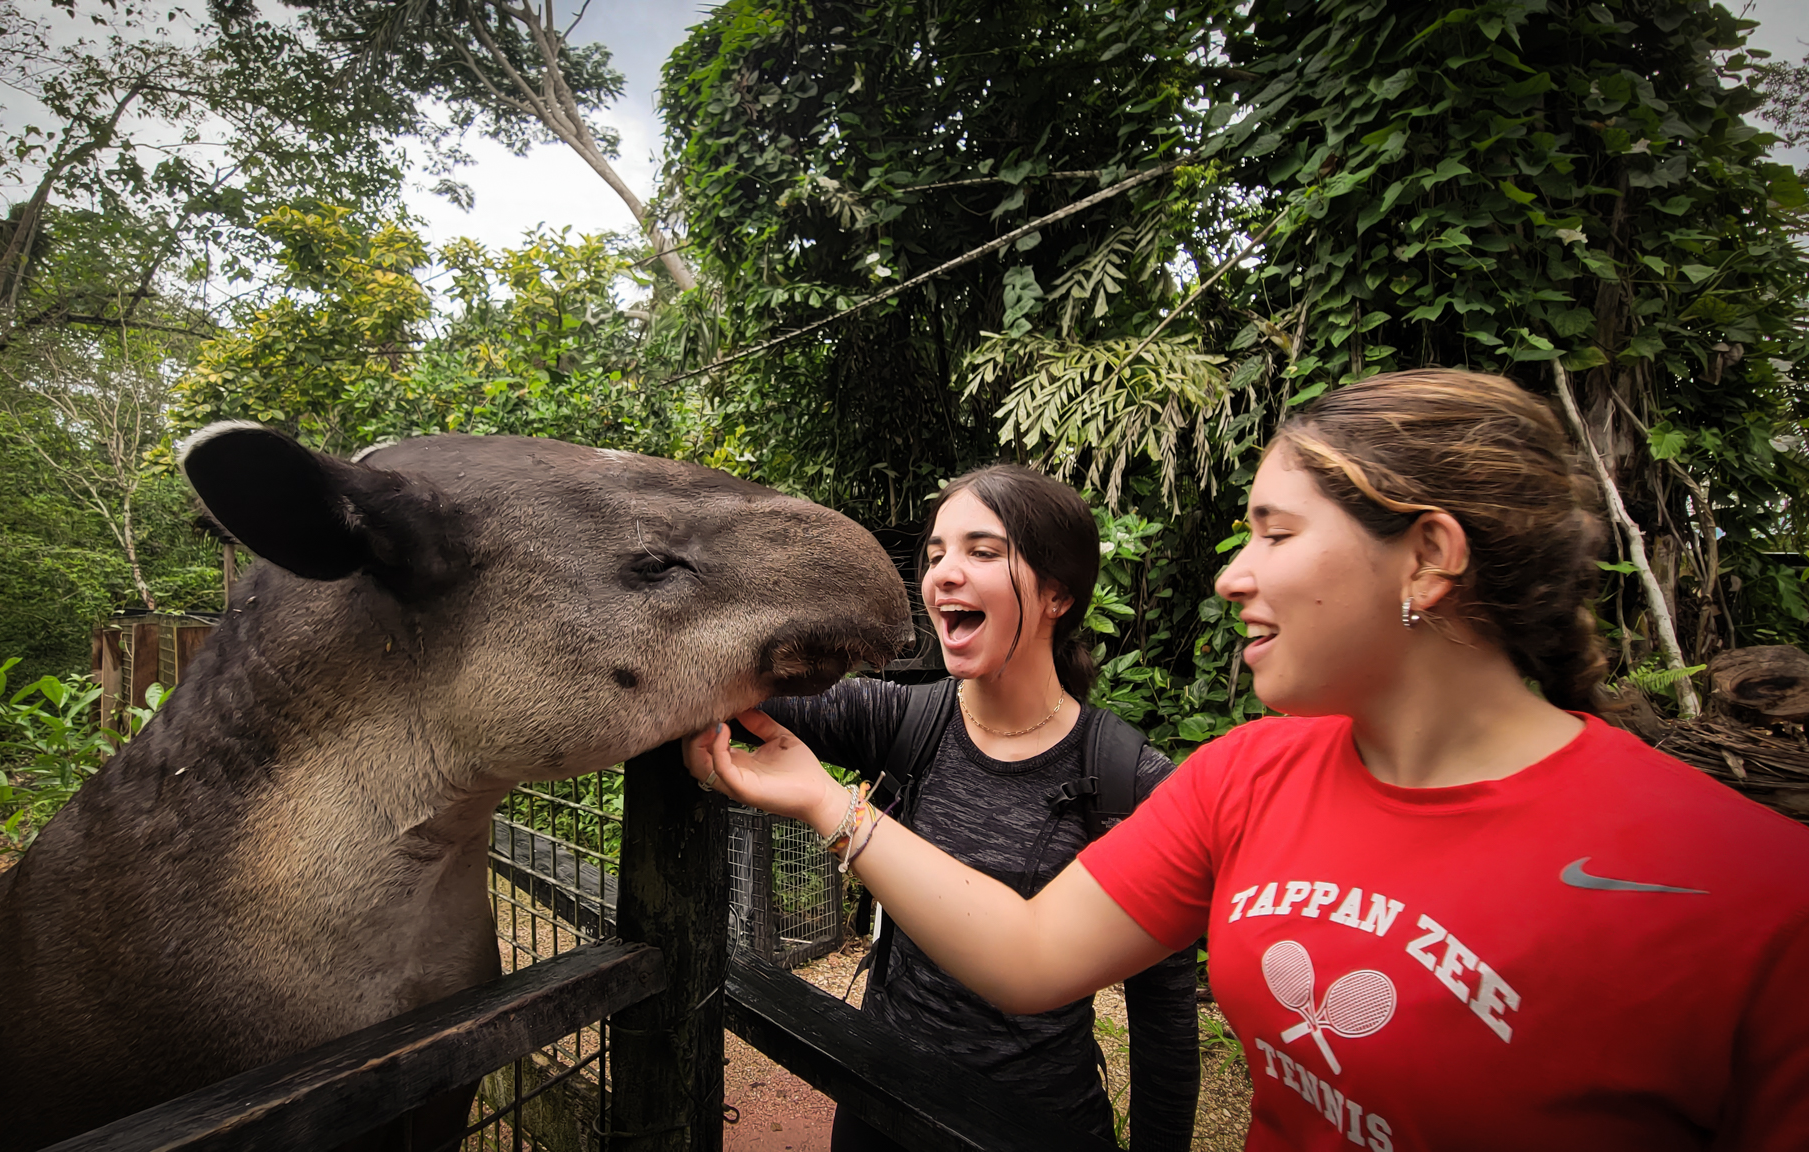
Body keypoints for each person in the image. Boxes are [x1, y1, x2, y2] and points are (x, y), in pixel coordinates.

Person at [688, 369, 1809, 1150]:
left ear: (1426, 556)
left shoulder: (1749, 893)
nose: (1232, 575)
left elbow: (1156, 1015)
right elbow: (1031, 955)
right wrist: (804, 779)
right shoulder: (1247, 776)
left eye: (1273, 534)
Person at [710, 465, 1199, 1150]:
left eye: (982, 550)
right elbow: (744, 690)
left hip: (1031, 1125)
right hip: (880, 1102)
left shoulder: (1127, 780)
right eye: (935, 554)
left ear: (1058, 593)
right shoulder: (907, 719)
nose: (942, 574)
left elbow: (1165, 1028)